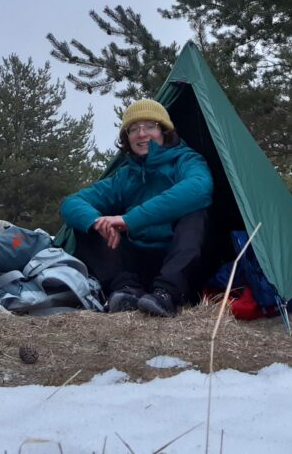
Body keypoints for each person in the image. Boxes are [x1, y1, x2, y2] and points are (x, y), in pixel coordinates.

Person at [60, 98, 213, 317]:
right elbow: (71, 203)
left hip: (181, 265)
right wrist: (97, 223)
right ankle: (126, 291)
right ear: (127, 137)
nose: (141, 134)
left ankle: (167, 295)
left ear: (164, 131)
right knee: (89, 223)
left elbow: (199, 188)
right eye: (133, 129)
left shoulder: (186, 160)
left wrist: (128, 220)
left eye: (150, 126)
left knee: (196, 213)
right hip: (139, 262)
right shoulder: (125, 176)